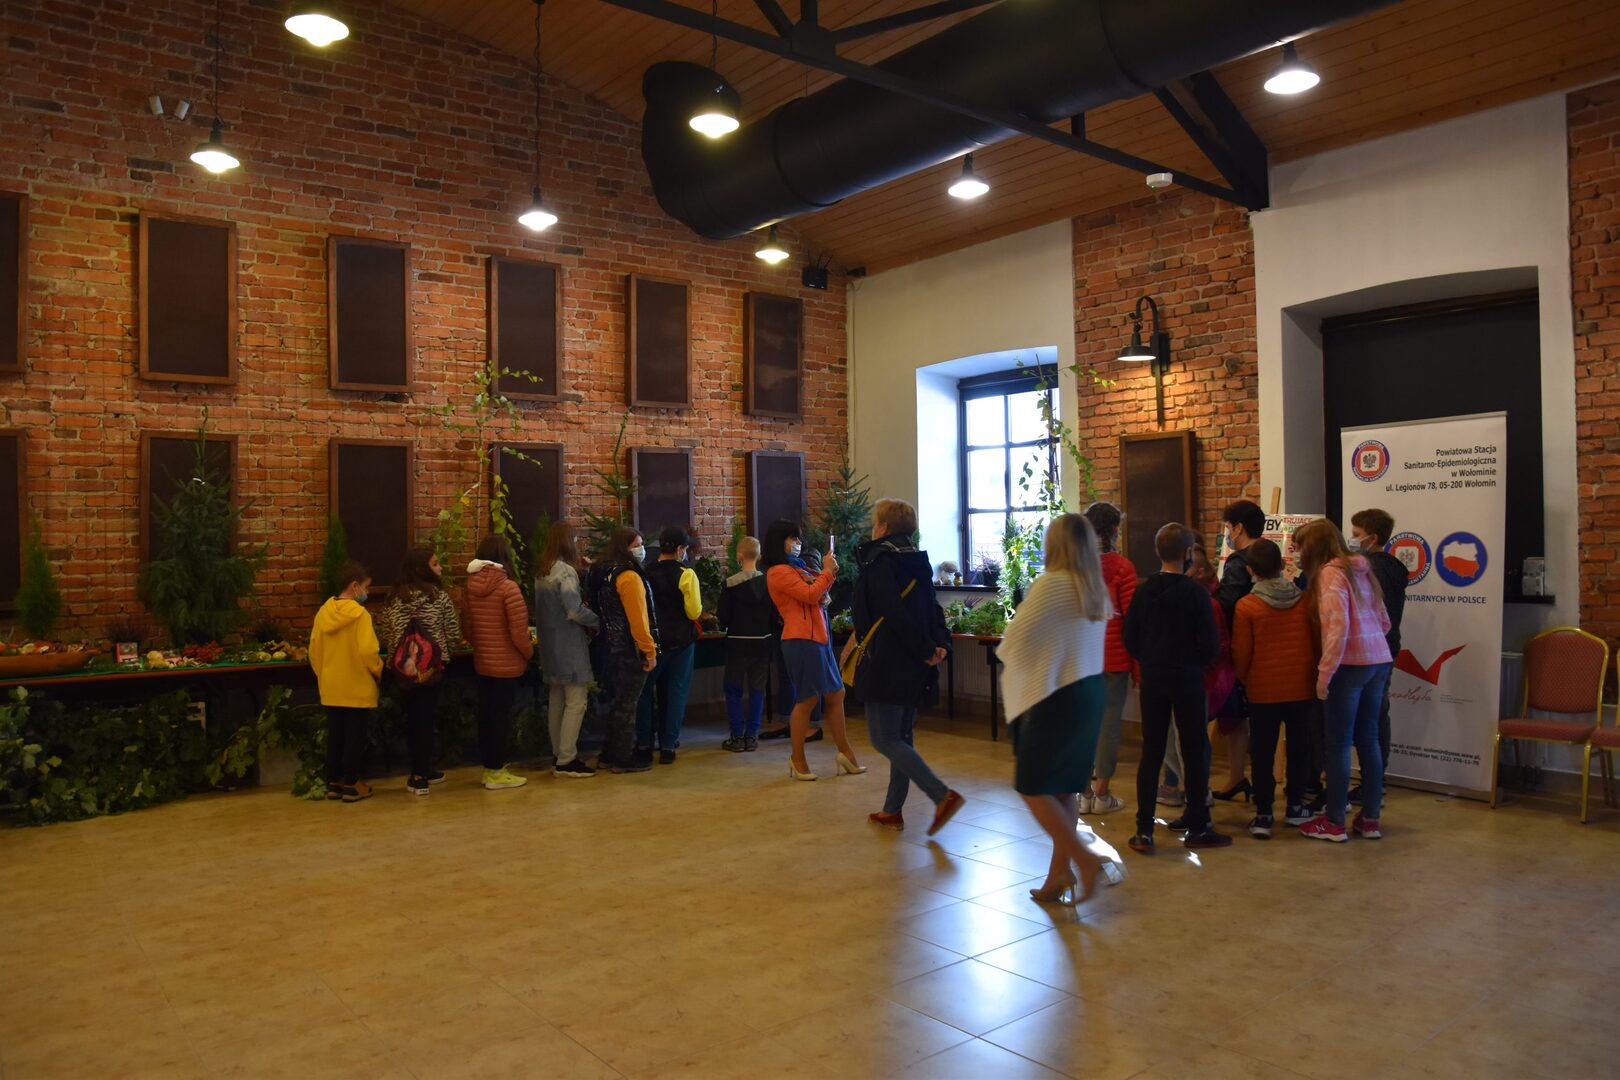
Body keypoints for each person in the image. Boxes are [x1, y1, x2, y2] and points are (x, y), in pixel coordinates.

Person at [998, 513, 1123, 903]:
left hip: (1056, 697)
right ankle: (1058, 873)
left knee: (1032, 786)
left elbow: (1015, 641)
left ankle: (1083, 859)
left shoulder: (1051, 584)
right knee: (1066, 789)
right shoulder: (1092, 586)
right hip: (1088, 692)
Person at [848, 498, 963, 833]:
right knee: (901, 736)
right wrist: (937, 646)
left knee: (884, 739)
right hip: (913, 661)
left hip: (887, 660)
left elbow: (893, 614)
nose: (872, 528)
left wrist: (926, 648)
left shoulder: (880, 562)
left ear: (883, 527)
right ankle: (892, 809)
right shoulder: (915, 559)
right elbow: (930, 608)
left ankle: (941, 796)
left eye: (875, 522)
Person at [1124, 523, 1230, 853]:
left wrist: (1150, 659)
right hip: (1188, 678)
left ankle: (1143, 830)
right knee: (1194, 750)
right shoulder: (1196, 594)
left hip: (1154, 677)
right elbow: (1211, 644)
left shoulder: (1143, 591)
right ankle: (1198, 824)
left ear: (1158, 551)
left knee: (1152, 751)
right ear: (1188, 554)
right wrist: (1196, 663)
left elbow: (1130, 638)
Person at [1294, 519, 1392, 842]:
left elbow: (1337, 627)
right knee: (1368, 739)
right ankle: (1371, 819)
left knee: (1338, 744)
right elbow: (1384, 621)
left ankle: (1334, 821)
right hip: (1378, 660)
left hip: (1349, 665)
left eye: (1300, 548)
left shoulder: (1329, 574)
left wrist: (1325, 674)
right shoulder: (1362, 569)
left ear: (1312, 549)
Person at [763, 519, 863, 781]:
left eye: (798, 538)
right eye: (792, 538)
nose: (798, 543)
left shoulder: (799, 568)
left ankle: (845, 753)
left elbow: (819, 592)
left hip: (819, 638)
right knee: (807, 699)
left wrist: (828, 576)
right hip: (800, 639)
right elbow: (809, 595)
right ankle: (797, 759)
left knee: (836, 693)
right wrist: (827, 573)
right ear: (779, 542)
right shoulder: (778, 572)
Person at [1231, 539, 1316, 838]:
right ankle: (1295, 807)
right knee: (1299, 748)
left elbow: (1242, 652)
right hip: (1301, 686)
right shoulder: (1305, 601)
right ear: (1282, 565)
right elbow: (1315, 643)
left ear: (1250, 570)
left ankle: (1264, 814)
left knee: (1263, 751)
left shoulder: (1247, 605)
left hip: (1263, 688)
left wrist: (1244, 677)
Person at [379, 547, 459, 796]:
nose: (440, 568)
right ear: (422, 568)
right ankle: (420, 776)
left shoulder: (393, 598)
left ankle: (421, 769)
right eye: (435, 564)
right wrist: (444, 654)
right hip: (431, 669)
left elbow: (386, 633)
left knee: (412, 719)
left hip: (402, 670)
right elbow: (453, 632)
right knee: (425, 719)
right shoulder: (439, 596)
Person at [463, 535, 534, 791]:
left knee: (486, 716)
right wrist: (528, 652)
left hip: (483, 661)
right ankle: (496, 771)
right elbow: (519, 633)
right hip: (507, 664)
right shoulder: (508, 588)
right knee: (501, 718)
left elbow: (468, 628)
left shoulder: (470, 586)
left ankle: (489, 768)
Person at [310, 560, 382, 803]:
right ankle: (352, 784)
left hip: (331, 684)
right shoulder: (360, 615)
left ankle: (334, 782)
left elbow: (314, 651)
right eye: (366, 587)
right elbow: (368, 651)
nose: (367, 592)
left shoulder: (323, 612)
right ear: (354, 586)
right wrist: (378, 670)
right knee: (354, 736)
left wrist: (323, 674)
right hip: (357, 684)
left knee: (336, 735)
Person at [1081, 501, 1135, 816]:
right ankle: (1102, 794)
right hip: (1114, 657)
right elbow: (1130, 619)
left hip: (1082, 656)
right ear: (1115, 529)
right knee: (1109, 724)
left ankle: (1083, 794)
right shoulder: (1123, 567)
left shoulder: (1075, 566)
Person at [534, 522, 600, 779]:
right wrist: (600, 621)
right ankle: (567, 759)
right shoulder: (566, 572)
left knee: (557, 700)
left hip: (549, 644)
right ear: (567, 541)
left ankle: (557, 754)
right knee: (576, 701)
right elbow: (574, 611)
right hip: (569, 644)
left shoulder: (543, 569)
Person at [591, 526, 658, 774]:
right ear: (625, 548)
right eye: (636, 545)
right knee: (627, 706)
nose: (641, 550)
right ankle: (622, 758)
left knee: (617, 704)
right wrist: (649, 650)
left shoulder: (604, 572)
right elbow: (638, 619)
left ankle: (608, 755)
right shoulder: (629, 576)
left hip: (610, 646)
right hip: (630, 649)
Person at [1350, 508, 1407, 778]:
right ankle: (1375, 778)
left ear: (1371, 538)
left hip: (1371, 650)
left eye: (1356, 534)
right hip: (1387, 648)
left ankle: (1373, 779)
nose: (1351, 539)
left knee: (1371, 717)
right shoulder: (1394, 567)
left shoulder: (1371, 569)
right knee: (1377, 713)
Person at [639, 526, 703, 764]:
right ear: (680, 549)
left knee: (645, 692)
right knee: (676, 692)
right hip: (681, 641)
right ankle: (668, 746)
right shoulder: (686, 574)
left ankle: (644, 743)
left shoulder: (645, 572)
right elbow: (694, 611)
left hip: (653, 641)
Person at [717, 535, 772, 752]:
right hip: (762, 642)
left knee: (733, 690)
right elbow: (774, 614)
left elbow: (723, 617)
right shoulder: (768, 583)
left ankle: (737, 736)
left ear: (739, 555)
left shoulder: (730, 584)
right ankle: (752, 736)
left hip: (737, 643)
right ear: (760, 556)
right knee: (757, 689)